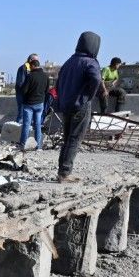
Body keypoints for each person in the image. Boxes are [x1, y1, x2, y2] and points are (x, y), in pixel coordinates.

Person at [56, 31, 102, 183]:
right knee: (75, 139)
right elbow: (96, 79)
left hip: (66, 105)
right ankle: (65, 173)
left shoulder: (69, 62)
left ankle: (61, 171)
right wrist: (89, 95)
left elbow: (58, 82)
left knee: (67, 138)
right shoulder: (90, 62)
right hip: (80, 105)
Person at [18, 58, 48, 151]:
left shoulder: (30, 76)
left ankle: (23, 145)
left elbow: (24, 90)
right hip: (40, 104)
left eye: (30, 67)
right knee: (38, 125)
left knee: (26, 124)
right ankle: (38, 146)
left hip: (29, 104)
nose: (30, 68)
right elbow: (46, 90)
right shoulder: (45, 76)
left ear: (33, 66)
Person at [14, 54, 38, 122]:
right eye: (36, 60)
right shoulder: (23, 68)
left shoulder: (30, 69)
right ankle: (17, 130)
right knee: (21, 114)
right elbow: (20, 83)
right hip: (22, 95)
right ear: (30, 60)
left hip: (28, 95)